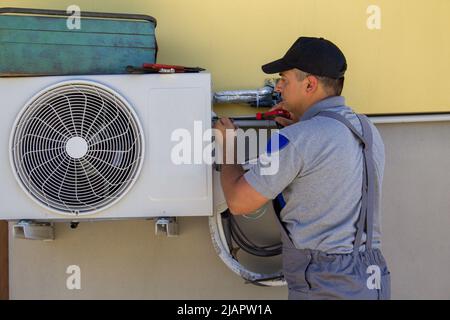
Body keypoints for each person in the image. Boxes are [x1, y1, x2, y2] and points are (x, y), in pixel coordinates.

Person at [214, 36, 391, 300]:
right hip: (372, 278)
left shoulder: (299, 140)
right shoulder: (367, 129)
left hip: (326, 283)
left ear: (309, 84)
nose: (279, 88)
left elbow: (239, 202)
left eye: (283, 79)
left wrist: (227, 145)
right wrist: (300, 129)